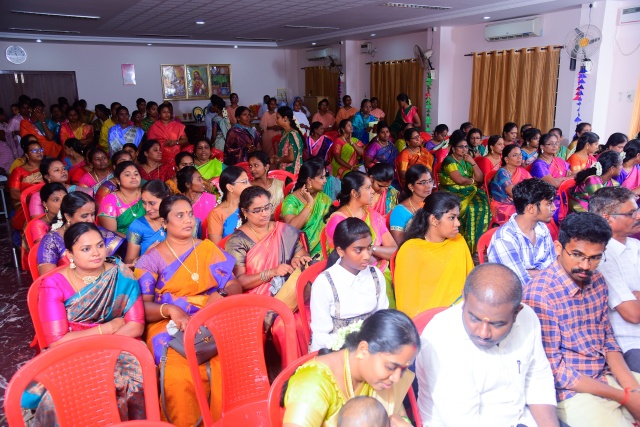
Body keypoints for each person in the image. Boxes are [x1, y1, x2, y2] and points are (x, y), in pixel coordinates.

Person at [523, 212, 640, 427]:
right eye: (577, 255)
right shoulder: (540, 295)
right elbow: (554, 370)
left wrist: (632, 390)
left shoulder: (597, 281)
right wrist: (624, 397)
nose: (585, 266)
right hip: (571, 392)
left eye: (595, 258)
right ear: (558, 248)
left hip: (605, 375)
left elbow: (607, 339)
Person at [134, 195, 243, 426]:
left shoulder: (207, 248)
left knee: (233, 360)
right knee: (178, 373)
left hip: (210, 316)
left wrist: (222, 294)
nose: (188, 220)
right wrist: (170, 309)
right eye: (180, 215)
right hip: (168, 324)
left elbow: (234, 284)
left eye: (190, 214)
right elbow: (142, 306)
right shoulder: (150, 260)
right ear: (164, 222)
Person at [27, 222, 145, 425]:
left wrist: (102, 348)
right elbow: (57, 342)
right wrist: (105, 329)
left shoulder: (122, 275)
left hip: (118, 350)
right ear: (70, 255)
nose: (96, 253)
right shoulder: (53, 284)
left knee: (125, 380)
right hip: (71, 353)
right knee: (61, 396)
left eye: (100, 245)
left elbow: (136, 325)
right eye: (86, 249)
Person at [417, 263, 558, 427]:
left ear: (516, 313)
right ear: (464, 298)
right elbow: (463, 422)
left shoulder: (527, 317)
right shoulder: (442, 339)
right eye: (474, 318)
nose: (483, 333)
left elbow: (538, 378)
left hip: (521, 419)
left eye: (497, 324)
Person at [284, 310, 418, 427]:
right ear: (363, 350)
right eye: (390, 367)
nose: (396, 378)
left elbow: (400, 417)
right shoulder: (313, 384)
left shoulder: (382, 378)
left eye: (403, 369)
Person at [310, 217, 389, 353]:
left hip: (372, 349)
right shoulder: (325, 283)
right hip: (337, 352)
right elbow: (321, 335)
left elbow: (382, 317)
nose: (367, 255)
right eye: (359, 250)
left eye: (369, 248)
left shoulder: (375, 275)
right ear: (341, 251)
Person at [394, 192, 473, 317]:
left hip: (461, 312)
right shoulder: (411, 250)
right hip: (426, 319)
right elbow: (407, 301)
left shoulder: (458, 242)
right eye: (452, 218)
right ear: (433, 220)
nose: (458, 223)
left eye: (457, 217)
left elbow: (471, 281)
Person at [324, 172, 398, 306]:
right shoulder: (338, 220)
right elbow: (344, 259)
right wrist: (379, 254)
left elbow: (393, 250)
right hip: (350, 280)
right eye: (368, 188)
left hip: (379, 273)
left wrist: (372, 249)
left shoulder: (374, 216)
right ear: (354, 193)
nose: (373, 191)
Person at [588, 187, 640, 372]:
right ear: (607, 218)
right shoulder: (601, 256)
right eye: (631, 213)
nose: (638, 216)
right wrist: (634, 299)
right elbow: (633, 313)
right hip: (630, 344)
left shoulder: (636, 245)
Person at [488, 178, 557, 285]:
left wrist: (532, 273)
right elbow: (521, 283)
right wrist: (542, 272)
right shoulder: (505, 239)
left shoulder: (542, 229)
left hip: (544, 288)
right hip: (517, 293)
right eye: (549, 204)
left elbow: (553, 268)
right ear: (531, 208)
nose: (554, 208)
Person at [37, 192, 124, 276]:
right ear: (67, 216)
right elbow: (48, 277)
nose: (90, 220)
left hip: (106, 280)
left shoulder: (99, 233)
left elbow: (117, 264)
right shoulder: (51, 241)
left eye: (92, 214)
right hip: (70, 284)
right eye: (84, 216)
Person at [438, 135, 490, 253]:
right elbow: (459, 180)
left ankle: (477, 244)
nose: (464, 149)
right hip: (451, 191)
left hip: (467, 189)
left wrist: (473, 162)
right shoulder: (449, 161)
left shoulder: (467, 159)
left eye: (466, 147)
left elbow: (480, 178)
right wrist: (473, 181)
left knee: (484, 205)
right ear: (453, 148)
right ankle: (465, 243)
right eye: (461, 147)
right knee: (470, 208)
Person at [282, 160, 331, 258]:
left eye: (325, 177)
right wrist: (310, 204)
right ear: (309, 180)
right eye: (322, 177)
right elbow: (292, 229)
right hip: (302, 255)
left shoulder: (324, 199)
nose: (325, 181)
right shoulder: (291, 201)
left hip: (327, 250)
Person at [124, 180, 172, 264]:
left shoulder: (177, 221)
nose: (147, 208)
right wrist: (147, 255)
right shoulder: (138, 226)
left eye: (152, 203)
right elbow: (128, 264)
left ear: (166, 199)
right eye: (144, 203)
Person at [389, 165, 433, 244]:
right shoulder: (399, 211)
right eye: (423, 183)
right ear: (411, 186)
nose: (429, 186)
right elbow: (400, 243)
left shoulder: (435, 203)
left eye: (430, 181)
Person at [489, 144, 533, 224]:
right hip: (503, 206)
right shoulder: (502, 173)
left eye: (520, 154)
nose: (519, 157)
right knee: (529, 215)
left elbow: (533, 185)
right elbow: (514, 193)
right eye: (515, 155)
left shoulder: (521, 170)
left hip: (521, 201)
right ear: (506, 159)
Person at [206, 166, 251, 243]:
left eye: (248, 181)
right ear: (230, 187)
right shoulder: (216, 214)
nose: (249, 185)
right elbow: (216, 246)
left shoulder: (251, 205)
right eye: (244, 182)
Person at [98, 161, 143, 236]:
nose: (133, 177)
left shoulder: (147, 194)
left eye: (136, 174)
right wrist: (135, 241)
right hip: (124, 241)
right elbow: (111, 233)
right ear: (118, 180)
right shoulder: (110, 200)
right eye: (127, 175)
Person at [8, 137, 44, 230]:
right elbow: (14, 193)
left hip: (47, 200)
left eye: (40, 149)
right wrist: (34, 200)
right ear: (27, 155)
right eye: (34, 150)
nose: (39, 152)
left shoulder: (48, 167)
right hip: (27, 202)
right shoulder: (18, 171)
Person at [273, 106, 304, 175]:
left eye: (278, 117)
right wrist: (278, 157)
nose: (276, 120)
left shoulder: (293, 134)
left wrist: (278, 159)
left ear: (285, 118)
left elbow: (291, 158)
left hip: (292, 172)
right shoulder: (284, 132)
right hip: (283, 170)